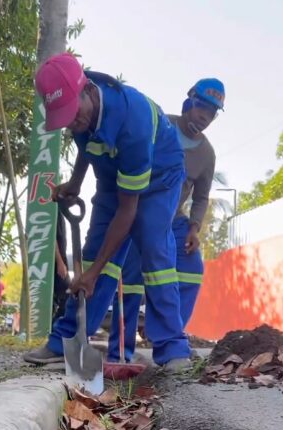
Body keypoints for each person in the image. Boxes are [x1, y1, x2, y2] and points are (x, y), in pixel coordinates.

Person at [24, 52, 190, 371]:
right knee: (93, 255)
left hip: (159, 176)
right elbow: (88, 146)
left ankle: (172, 346)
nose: (72, 122)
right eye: (65, 117)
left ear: (86, 89)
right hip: (115, 178)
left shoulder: (133, 120)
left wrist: (94, 272)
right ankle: (67, 340)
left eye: (74, 113)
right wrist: (74, 183)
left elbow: (127, 213)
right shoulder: (79, 111)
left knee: (153, 247)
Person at [108, 79, 225, 363]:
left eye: (212, 114)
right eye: (202, 108)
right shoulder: (161, 126)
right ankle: (120, 352)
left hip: (173, 219)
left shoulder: (207, 154)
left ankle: (168, 337)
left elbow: (200, 197)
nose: (205, 117)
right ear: (189, 102)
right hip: (136, 209)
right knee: (132, 279)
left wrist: (194, 227)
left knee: (191, 268)